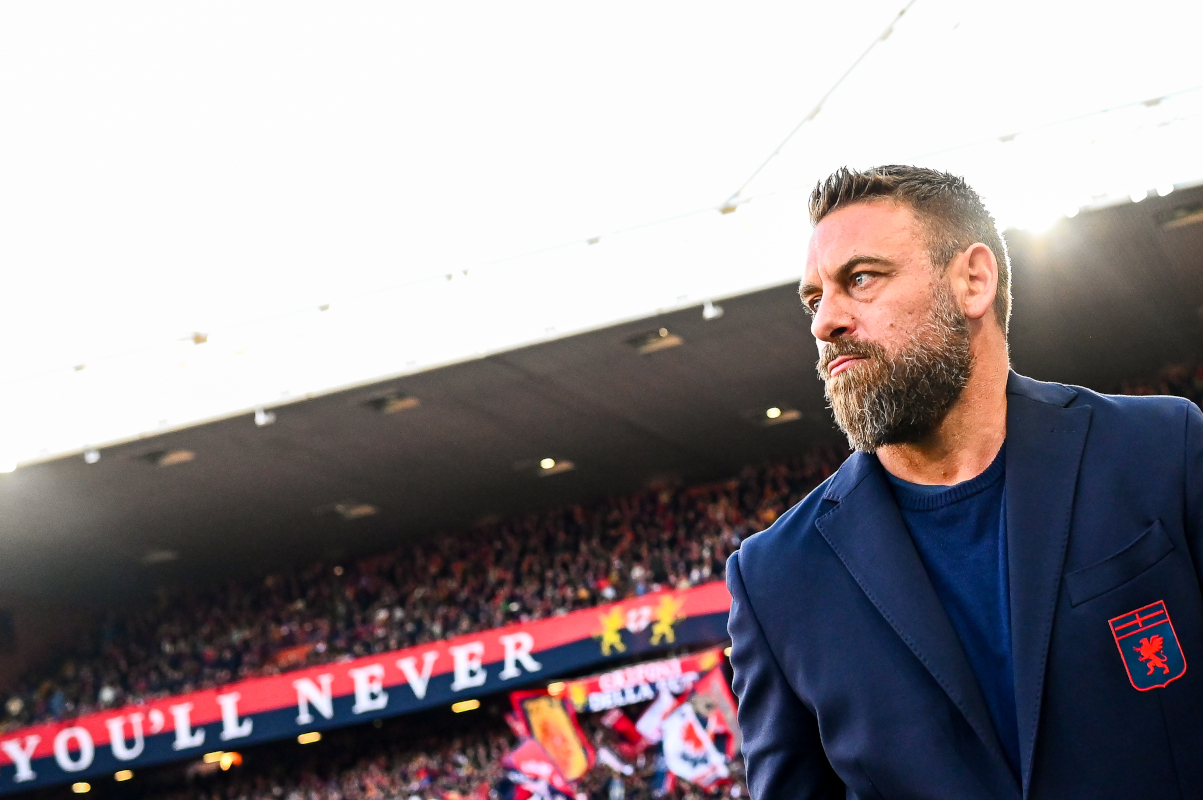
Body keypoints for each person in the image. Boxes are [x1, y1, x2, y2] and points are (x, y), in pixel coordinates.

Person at [726, 165, 1203, 799]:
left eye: (860, 279)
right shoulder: (775, 580)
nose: (824, 323)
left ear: (972, 280)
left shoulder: (1161, 450)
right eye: (816, 299)